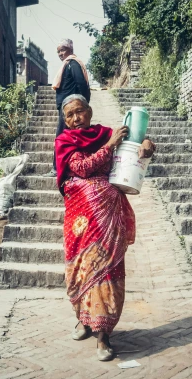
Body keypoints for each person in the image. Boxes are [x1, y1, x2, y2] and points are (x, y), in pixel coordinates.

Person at [54, 94, 155, 361]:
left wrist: (146, 144)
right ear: (64, 120)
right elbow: (82, 168)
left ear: (89, 111)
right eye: (70, 115)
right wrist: (110, 146)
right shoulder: (65, 141)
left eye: (80, 112)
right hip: (80, 222)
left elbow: (139, 140)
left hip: (109, 217)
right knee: (81, 271)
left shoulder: (105, 133)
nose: (76, 119)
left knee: (107, 271)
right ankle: (84, 321)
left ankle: (104, 335)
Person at [44, 39, 91, 177]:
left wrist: (83, 103)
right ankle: (65, 168)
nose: (60, 54)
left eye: (62, 50)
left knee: (62, 138)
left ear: (70, 49)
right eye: (58, 51)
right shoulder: (67, 65)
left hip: (71, 108)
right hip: (66, 107)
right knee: (65, 138)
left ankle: (57, 169)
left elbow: (82, 84)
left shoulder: (73, 64)